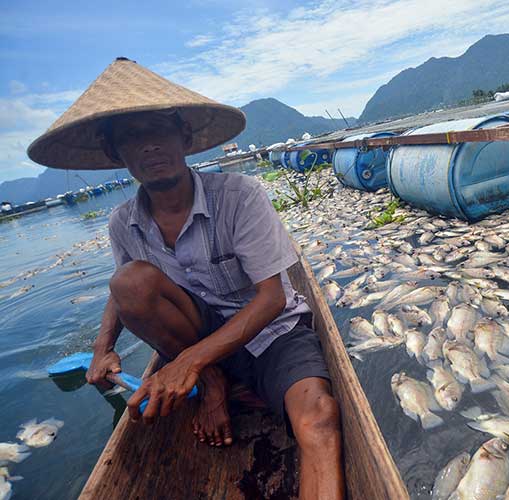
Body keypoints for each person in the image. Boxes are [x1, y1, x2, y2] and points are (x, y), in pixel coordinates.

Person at [27, 57, 344, 500]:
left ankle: (221, 380)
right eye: (131, 138)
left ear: (185, 137)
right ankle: (217, 384)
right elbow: (123, 296)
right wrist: (104, 348)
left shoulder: (240, 196)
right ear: (116, 154)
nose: (149, 146)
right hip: (199, 334)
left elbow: (272, 299)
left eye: (158, 129)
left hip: (272, 333)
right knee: (130, 282)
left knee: (319, 418)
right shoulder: (124, 223)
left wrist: (187, 364)